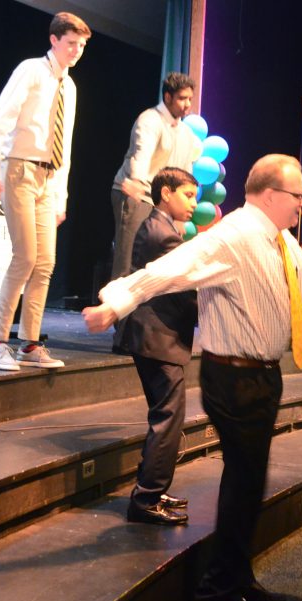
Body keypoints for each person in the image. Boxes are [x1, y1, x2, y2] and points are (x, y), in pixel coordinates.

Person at [83, 154, 302, 601]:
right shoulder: (233, 236)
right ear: (272, 195)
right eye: (298, 196)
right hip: (234, 379)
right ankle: (216, 594)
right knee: (243, 487)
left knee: (246, 486)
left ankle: (236, 578)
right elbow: (171, 268)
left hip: (260, 378)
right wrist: (116, 303)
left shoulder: (283, 243)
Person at [0, 12, 91, 371]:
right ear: (54, 40)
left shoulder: (69, 87)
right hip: (19, 170)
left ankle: (29, 343)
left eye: (82, 45)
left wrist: (62, 197)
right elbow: (0, 120)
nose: (76, 50)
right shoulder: (31, 71)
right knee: (25, 256)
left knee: (45, 263)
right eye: (71, 43)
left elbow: (65, 146)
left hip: (48, 178)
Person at [115, 168, 200, 526]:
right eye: (188, 195)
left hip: (155, 336)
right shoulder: (163, 235)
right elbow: (186, 289)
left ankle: (152, 490)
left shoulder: (162, 227)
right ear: (166, 193)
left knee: (165, 416)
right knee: (168, 418)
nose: (194, 204)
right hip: (157, 336)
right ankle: (146, 499)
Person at [110, 72, 202, 280]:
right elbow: (141, 152)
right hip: (137, 193)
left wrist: (179, 216)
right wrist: (136, 180)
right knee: (128, 260)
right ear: (168, 97)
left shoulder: (186, 133)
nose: (187, 104)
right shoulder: (150, 119)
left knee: (155, 262)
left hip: (162, 200)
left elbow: (184, 175)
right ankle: (115, 311)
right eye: (182, 98)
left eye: (189, 99)